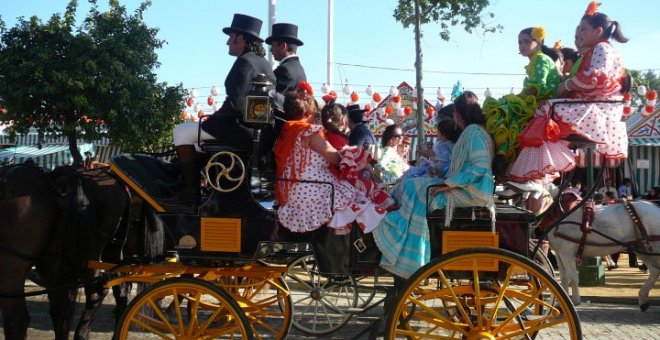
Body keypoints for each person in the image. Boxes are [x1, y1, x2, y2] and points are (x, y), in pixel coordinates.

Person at [373, 91, 495, 278]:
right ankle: (404, 241)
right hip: (466, 188)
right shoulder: (475, 131)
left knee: (414, 188)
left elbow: (479, 168)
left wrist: (448, 184)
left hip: (470, 192)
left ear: (457, 114)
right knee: (412, 185)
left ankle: (409, 253)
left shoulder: (473, 132)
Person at [169, 14, 276, 208]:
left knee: (181, 132)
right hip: (261, 132)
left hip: (243, 131)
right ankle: (189, 182)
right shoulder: (264, 63)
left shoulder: (245, 63)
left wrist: (210, 120)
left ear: (241, 38)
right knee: (198, 144)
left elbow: (236, 105)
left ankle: (190, 193)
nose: (228, 42)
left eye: (231, 36)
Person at [274, 82, 386, 235]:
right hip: (312, 191)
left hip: (292, 191)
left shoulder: (286, 131)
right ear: (309, 113)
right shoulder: (309, 132)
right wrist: (359, 158)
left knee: (353, 191)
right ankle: (365, 237)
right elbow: (335, 158)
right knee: (359, 194)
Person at [555, 3, 629, 159]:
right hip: (598, 108)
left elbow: (595, 78)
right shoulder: (600, 49)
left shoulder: (602, 48)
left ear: (598, 31)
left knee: (546, 110)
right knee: (548, 111)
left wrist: (566, 84)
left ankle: (544, 171)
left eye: (583, 29)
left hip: (600, 111)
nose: (580, 34)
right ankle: (552, 166)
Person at [483, 26, 562, 172]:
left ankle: (502, 156)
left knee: (501, 109)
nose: (522, 45)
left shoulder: (540, 59)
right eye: (520, 42)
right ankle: (501, 154)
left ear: (538, 42)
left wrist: (515, 99)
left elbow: (538, 87)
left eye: (526, 41)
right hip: (535, 100)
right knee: (503, 107)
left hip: (541, 102)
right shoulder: (536, 59)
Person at [265, 23, 307, 94]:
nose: (270, 50)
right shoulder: (300, 69)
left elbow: (276, 101)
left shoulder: (284, 70)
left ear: (283, 46)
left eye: (273, 45)